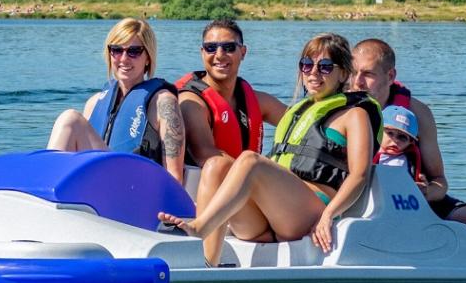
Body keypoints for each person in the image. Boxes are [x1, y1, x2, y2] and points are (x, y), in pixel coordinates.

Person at [159, 33, 380, 266]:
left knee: (250, 160)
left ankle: (198, 227)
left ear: (343, 73)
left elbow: (359, 175)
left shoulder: (355, 115)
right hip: (269, 216)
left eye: (324, 66)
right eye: (306, 65)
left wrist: (328, 215)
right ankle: (206, 265)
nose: (313, 73)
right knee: (216, 167)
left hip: (308, 212)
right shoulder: (298, 112)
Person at [350, 38, 466, 256]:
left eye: (368, 74)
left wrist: (425, 192)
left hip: (412, 200)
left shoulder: (418, 114)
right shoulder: (342, 108)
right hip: (357, 197)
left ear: (390, 76)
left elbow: (440, 182)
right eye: (353, 72)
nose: (357, 82)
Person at [175, 18, 288, 256]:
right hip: (212, 204)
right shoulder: (192, 103)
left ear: (242, 52)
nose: (219, 55)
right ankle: (208, 262)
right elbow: (207, 156)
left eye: (228, 47)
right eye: (211, 48)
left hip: (249, 205)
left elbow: (301, 125)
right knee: (218, 165)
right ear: (202, 52)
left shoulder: (255, 100)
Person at [46, 17, 186, 183]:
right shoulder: (94, 103)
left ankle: (47, 184)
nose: (124, 58)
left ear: (148, 57)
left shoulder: (163, 103)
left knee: (70, 119)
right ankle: (48, 187)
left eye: (134, 51)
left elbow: (174, 177)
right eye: (117, 50)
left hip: (135, 188)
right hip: (95, 185)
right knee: (69, 120)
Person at [374, 105, 423, 179]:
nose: (395, 140)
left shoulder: (407, 161)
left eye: (402, 137)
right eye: (390, 133)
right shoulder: (367, 152)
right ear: (379, 132)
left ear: (410, 142)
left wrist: (421, 185)